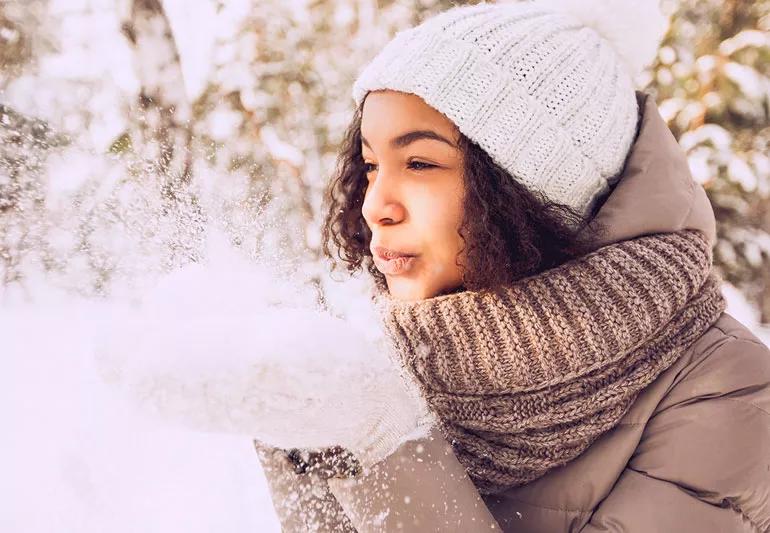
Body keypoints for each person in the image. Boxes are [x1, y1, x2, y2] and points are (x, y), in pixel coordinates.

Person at [256, 1, 770, 531]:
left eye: (420, 164)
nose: (373, 206)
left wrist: (387, 444)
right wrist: (297, 434)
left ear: (530, 190)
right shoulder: (398, 363)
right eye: (370, 165)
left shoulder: (731, 390)